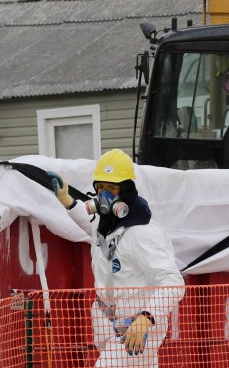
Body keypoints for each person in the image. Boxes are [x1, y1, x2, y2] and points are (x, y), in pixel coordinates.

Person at [48, 149, 184, 367]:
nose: (104, 195)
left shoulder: (142, 233)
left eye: (112, 188)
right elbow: (89, 225)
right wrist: (67, 202)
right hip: (109, 323)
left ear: (126, 191)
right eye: (100, 188)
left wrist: (146, 318)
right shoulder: (107, 225)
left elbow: (172, 282)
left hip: (135, 331)